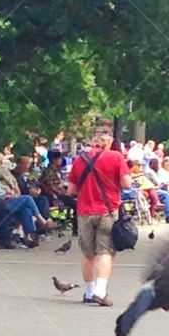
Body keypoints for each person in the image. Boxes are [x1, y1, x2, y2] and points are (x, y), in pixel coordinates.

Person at [66, 127, 132, 306]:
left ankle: (88, 293)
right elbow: (127, 184)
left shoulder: (80, 159)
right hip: (107, 210)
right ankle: (100, 292)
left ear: (93, 140)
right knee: (105, 251)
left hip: (84, 211)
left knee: (88, 253)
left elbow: (71, 189)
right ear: (109, 141)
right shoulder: (116, 157)